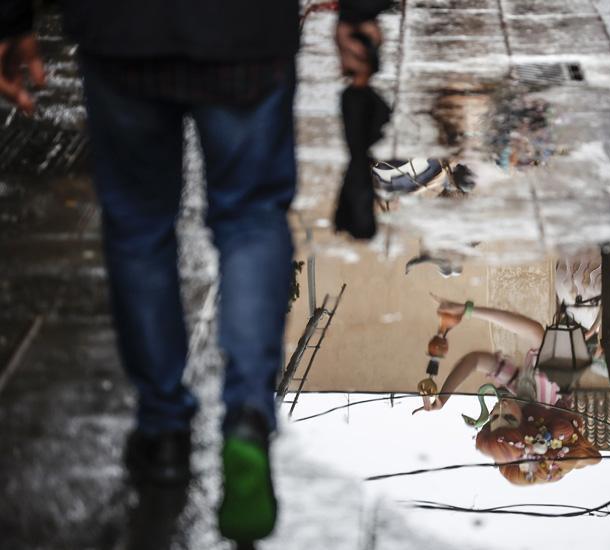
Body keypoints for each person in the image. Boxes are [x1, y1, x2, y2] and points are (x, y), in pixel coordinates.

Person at [0, 0, 388, 542]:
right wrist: (358, 12)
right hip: (244, 32)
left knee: (139, 227)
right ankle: (248, 414)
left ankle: (162, 431)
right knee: (250, 218)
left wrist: (13, 21)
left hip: (122, 31)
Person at [413, 297, 601, 484]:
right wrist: (468, 310)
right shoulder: (544, 397)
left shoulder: (523, 398)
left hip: (571, 325)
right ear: (525, 425)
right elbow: (536, 333)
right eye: (509, 418)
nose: (501, 408)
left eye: (494, 417)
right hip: (578, 319)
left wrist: (443, 398)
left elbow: (477, 360)